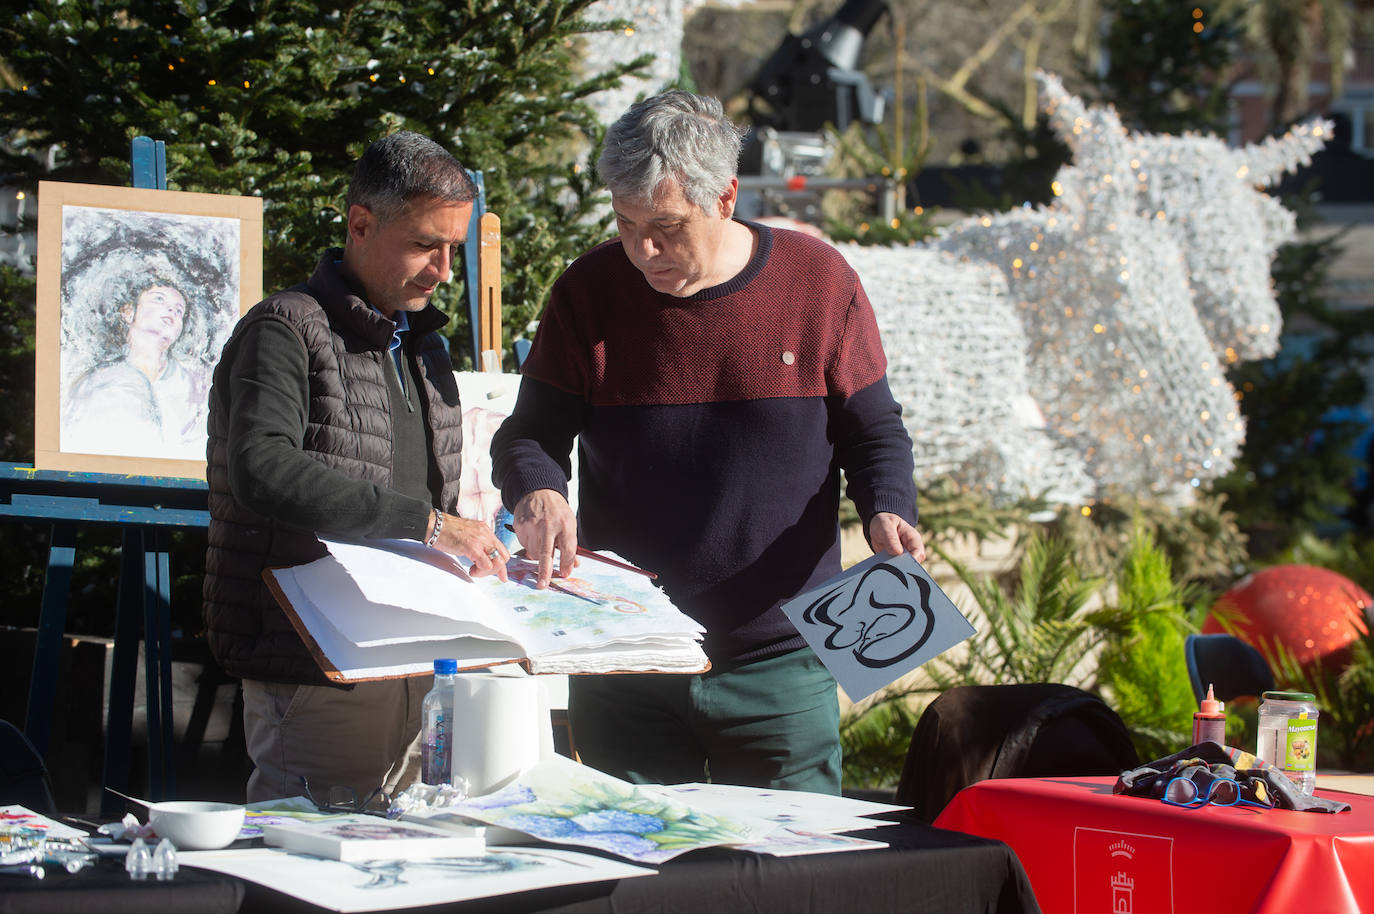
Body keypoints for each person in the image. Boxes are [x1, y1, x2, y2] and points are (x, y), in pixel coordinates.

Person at [490, 90, 924, 795]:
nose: (643, 251)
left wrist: (887, 506)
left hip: (782, 660)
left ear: (725, 198)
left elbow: (873, 430)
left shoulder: (819, 283)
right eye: (625, 224)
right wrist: (538, 488)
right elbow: (529, 433)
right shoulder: (588, 291)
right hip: (627, 653)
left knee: (793, 861)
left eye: (666, 227)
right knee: (629, 862)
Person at [203, 131, 511, 804]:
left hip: (417, 660)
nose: (442, 270)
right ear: (361, 224)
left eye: (453, 249)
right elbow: (262, 469)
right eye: (425, 244)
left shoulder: (423, 344)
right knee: (312, 850)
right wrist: (432, 526)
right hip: (318, 662)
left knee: (412, 849)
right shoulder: (285, 328)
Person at [63, 274, 208, 457]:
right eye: (159, 299)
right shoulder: (97, 381)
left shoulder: (197, 386)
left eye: (179, 310)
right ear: (128, 312)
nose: (171, 310)